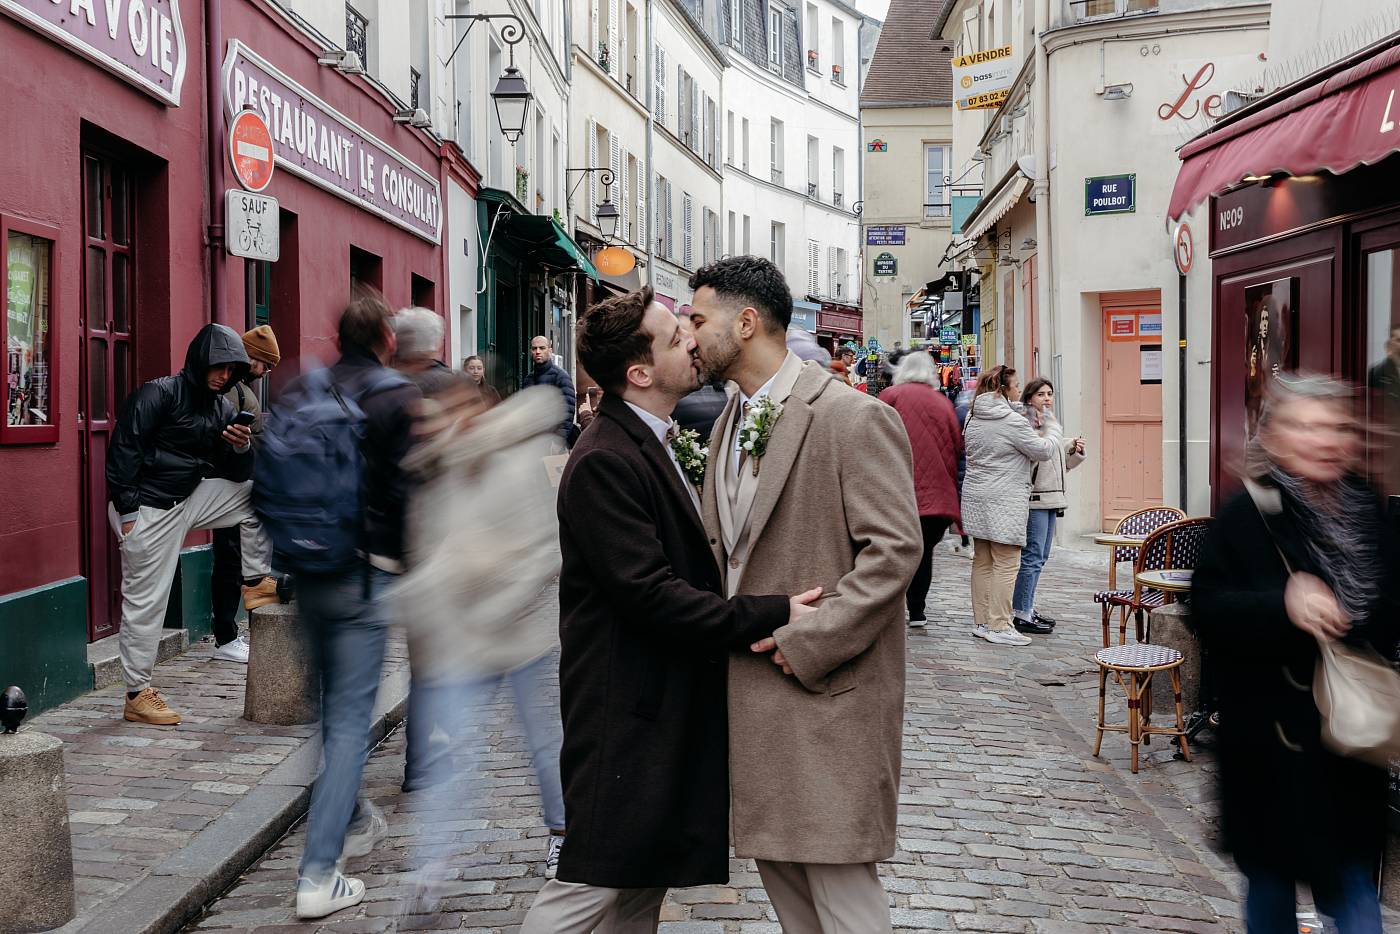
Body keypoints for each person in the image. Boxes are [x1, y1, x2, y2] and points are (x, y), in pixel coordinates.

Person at [521, 286, 820, 932]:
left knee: (638, 887)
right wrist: (769, 613)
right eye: (674, 334)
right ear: (640, 372)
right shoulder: (605, 459)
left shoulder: (654, 437)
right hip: (625, 712)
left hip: (659, 708)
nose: (691, 337)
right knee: (588, 884)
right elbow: (650, 593)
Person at [688, 256, 921, 933]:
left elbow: (895, 551)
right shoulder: (729, 420)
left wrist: (811, 640)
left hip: (827, 699)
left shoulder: (851, 417)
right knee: (789, 895)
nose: (690, 335)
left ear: (747, 322)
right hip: (752, 706)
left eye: (698, 319)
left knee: (845, 901)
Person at [1193, 373, 1400, 934]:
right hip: (1271, 748)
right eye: (1306, 427)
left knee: (1355, 893)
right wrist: (1280, 605)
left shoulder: (1366, 506)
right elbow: (1207, 610)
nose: (1324, 439)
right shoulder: (1248, 514)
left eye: (1335, 427)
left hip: (1348, 743)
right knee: (1271, 890)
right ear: (1278, 437)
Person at [288, 293, 422, 920]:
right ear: (387, 339)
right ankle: (319, 874)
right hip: (363, 575)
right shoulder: (397, 396)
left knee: (328, 712)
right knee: (346, 724)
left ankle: (350, 812)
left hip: (306, 569)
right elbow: (409, 492)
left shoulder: (303, 390)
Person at [106, 324, 280, 725]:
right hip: (148, 508)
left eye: (232, 369)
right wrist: (129, 516)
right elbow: (124, 452)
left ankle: (254, 582)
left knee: (258, 492)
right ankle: (137, 693)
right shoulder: (159, 393)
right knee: (146, 602)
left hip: (188, 498)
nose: (223, 375)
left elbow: (235, 476)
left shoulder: (221, 407)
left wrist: (240, 445)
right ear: (200, 360)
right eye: (218, 366)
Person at [961, 365, 1058, 647]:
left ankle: (982, 621)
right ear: (1003, 389)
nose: (1019, 391)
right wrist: (1051, 427)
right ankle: (1000, 624)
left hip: (976, 495)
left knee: (983, 561)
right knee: (1007, 562)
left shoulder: (973, 414)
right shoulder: (1010, 421)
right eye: (1016, 386)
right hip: (1004, 499)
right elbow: (1043, 451)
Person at [208, 325, 283, 665]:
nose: (266, 372)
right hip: (228, 487)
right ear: (249, 357)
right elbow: (224, 439)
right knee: (229, 562)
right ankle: (225, 636)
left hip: (241, 487)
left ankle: (232, 633)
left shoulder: (242, 388)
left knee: (237, 561)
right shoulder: (230, 389)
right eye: (264, 364)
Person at [878, 352, 963, 628]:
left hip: (896, 491)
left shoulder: (890, 396)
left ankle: (886, 609)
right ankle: (917, 611)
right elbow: (957, 448)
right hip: (936, 498)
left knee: (890, 552)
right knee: (923, 554)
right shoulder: (943, 403)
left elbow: (873, 438)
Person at [1011, 378, 1085, 636]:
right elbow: (1035, 456)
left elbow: (1059, 465)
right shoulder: (1028, 422)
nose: (1046, 398)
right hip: (1037, 499)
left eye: (1050, 394)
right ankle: (1020, 611)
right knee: (1031, 557)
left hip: (1052, 496)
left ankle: (1027, 607)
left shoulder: (1049, 422)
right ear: (1029, 397)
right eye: (1041, 394)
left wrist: (1072, 449)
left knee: (1040, 557)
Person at [523, 335, 577, 446]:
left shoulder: (561, 377)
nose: (538, 351)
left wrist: (558, 441)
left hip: (553, 442)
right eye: (534, 348)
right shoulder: (528, 379)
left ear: (550, 350)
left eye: (542, 348)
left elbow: (567, 412)